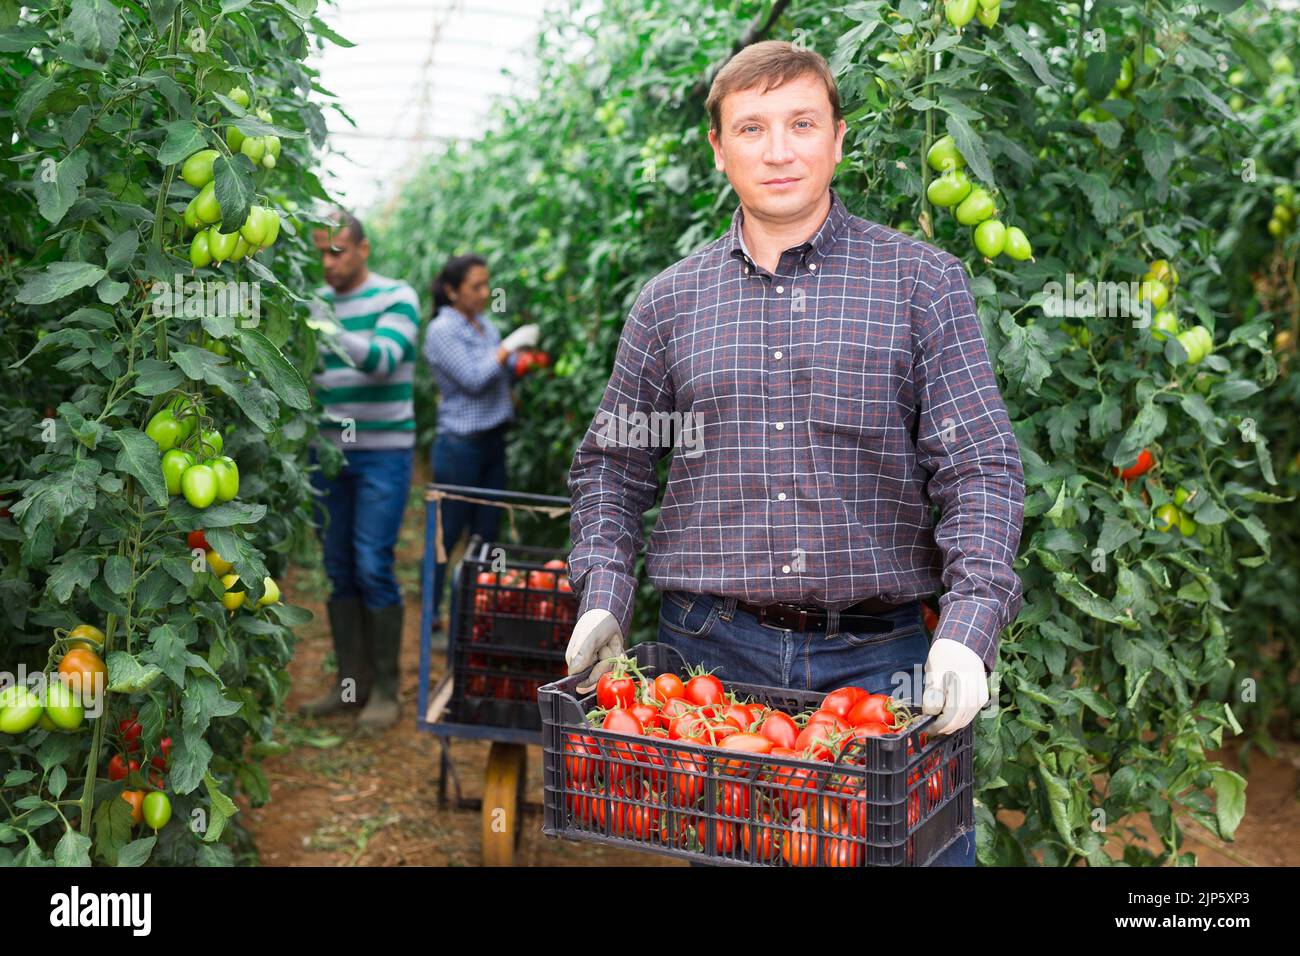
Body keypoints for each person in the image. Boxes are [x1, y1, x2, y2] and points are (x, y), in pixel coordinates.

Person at [564, 41, 1025, 867]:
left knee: (914, 853)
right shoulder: (669, 302)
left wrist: (967, 627)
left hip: (882, 661)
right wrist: (603, 590)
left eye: (802, 123)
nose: (779, 150)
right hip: (710, 664)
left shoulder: (924, 283)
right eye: (752, 127)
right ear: (718, 148)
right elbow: (615, 463)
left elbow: (979, 466)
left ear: (838, 138)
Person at [301, 209, 419, 729]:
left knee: (372, 562)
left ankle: (388, 691)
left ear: (363, 248)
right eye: (320, 250)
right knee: (337, 566)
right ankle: (351, 685)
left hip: (383, 453)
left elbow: (382, 360)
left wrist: (324, 329)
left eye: (338, 250)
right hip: (327, 453)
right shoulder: (315, 304)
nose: (327, 261)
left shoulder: (397, 297)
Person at [422, 254, 541, 629]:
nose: (485, 292)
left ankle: (468, 619)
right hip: (460, 447)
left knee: (486, 535)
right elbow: (474, 378)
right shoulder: (442, 330)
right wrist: (508, 347)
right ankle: (431, 618)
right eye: (476, 286)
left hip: (491, 443)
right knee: (449, 534)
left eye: (487, 284)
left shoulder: (482, 326)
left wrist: (521, 361)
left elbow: (498, 371)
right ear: (451, 291)